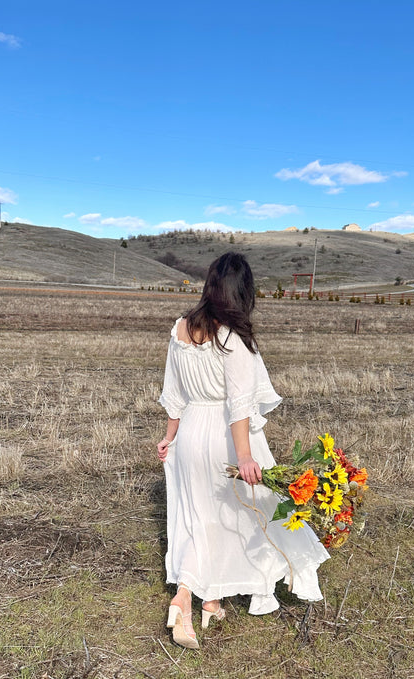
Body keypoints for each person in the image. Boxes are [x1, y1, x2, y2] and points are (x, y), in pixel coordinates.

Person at [157, 252, 329, 649]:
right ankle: (184, 597)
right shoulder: (233, 340)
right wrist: (245, 456)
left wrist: (169, 437)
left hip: (189, 439)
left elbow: (174, 394)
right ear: (243, 292)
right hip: (223, 438)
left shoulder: (180, 329)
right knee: (235, 516)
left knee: (199, 517)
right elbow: (238, 406)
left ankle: (211, 600)